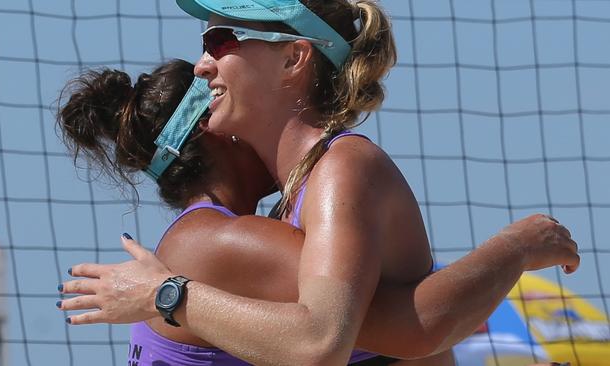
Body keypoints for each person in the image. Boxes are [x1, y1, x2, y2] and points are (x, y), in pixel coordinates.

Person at [59, 1, 579, 364]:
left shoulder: (339, 168)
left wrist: (165, 293)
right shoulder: (281, 207)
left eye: (222, 40)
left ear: (293, 58)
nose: (203, 65)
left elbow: (326, 342)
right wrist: (514, 247)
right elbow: (372, 333)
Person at [56, 59, 451, 365]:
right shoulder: (219, 242)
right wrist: (513, 245)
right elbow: (419, 324)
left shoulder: (198, 236)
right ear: (218, 128)